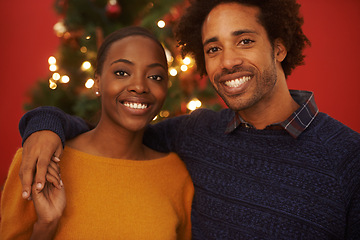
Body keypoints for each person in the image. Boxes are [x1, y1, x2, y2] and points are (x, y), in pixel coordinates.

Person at [13, 0, 360, 239]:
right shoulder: (197, 134)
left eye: (245, 41)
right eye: (213, 48)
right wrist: (45, 125)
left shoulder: (348, 157)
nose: (227, 62)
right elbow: (114, 132)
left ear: (279, 48)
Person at [0, 26, 194, 240]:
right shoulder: (39, 160)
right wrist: (47, 225)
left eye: (155, 77)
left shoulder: (177, 175)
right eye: (122, 72)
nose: (139, 86)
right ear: (98, 82)